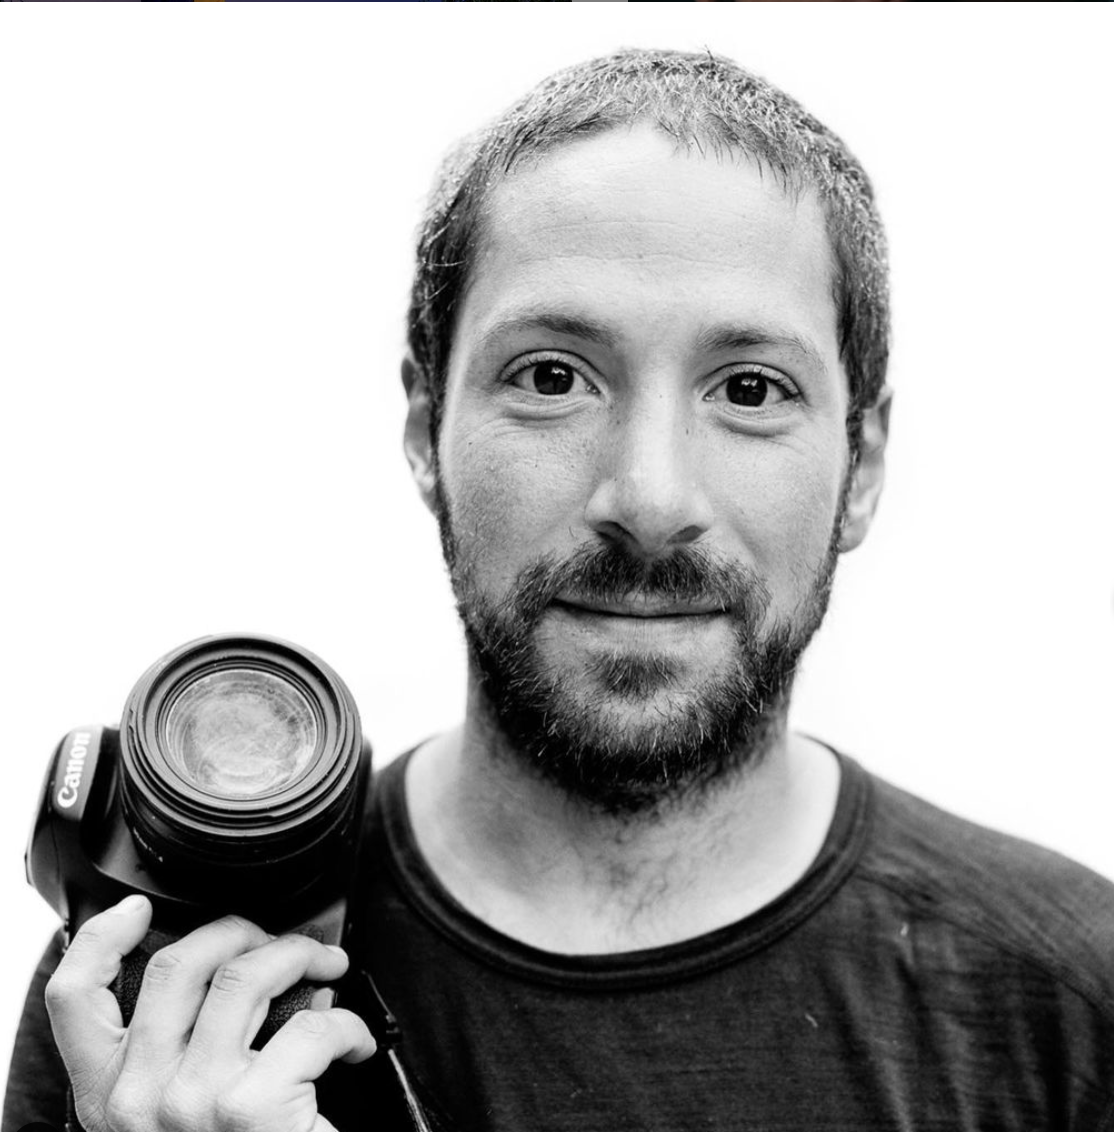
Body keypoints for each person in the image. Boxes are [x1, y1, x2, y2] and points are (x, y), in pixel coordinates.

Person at [6, 46, 1114, 1132]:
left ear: (862, 467)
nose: (649, 496)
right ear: (425, 430)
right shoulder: (162, 998)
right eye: (551, 377)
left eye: (749, 389)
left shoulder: (1074, 1001)